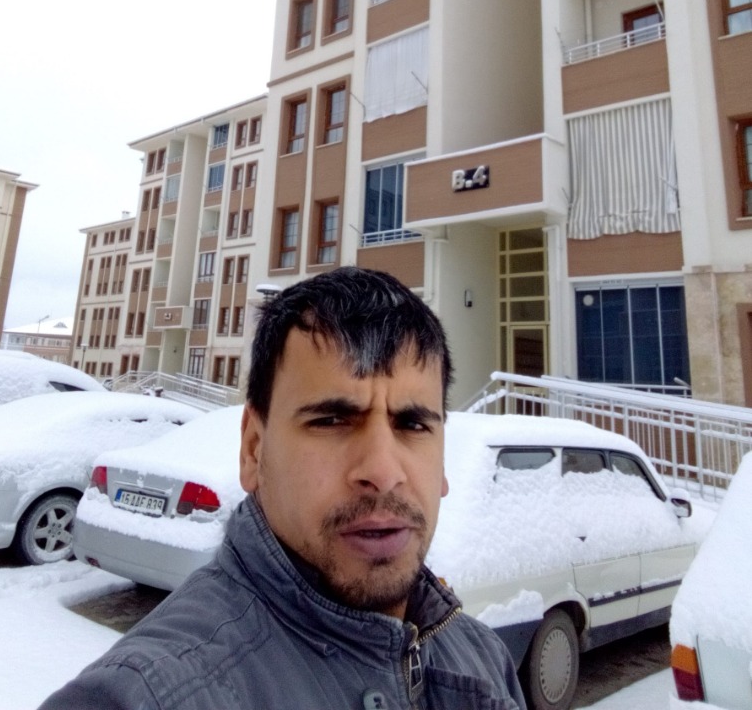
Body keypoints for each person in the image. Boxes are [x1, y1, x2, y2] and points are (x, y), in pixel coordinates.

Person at [39, 267, 526, 710]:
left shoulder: (483, 660)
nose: (383, 471)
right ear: (254, 450)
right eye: (331, 420)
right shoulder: (142, 695)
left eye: (414, 425)